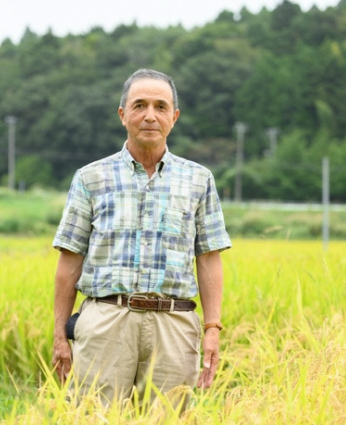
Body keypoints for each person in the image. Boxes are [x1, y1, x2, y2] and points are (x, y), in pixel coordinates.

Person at [52, 68, 231, 406]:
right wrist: (60, 334)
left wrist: (212, 328)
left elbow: (209, 257)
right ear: (123, 115)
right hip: (106, 320)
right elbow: (69, 259)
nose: (150, 115)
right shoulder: (90, 178)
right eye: (139, 106)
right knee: (95, 415)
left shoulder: (198, 180)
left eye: (160, 107)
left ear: (174, 117)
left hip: (175, 324)